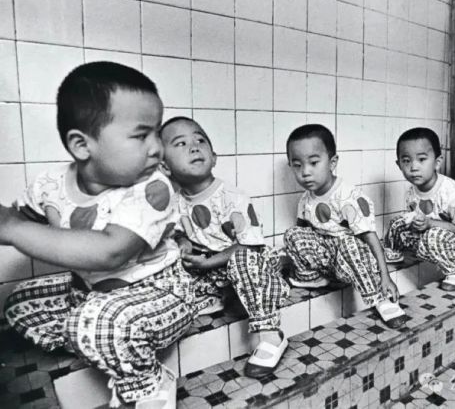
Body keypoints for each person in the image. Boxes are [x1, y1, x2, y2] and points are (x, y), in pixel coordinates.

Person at [0, 62, 188, 408]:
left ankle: (149, 384)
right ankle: (89, 335)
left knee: (101, 320)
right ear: (81, 145)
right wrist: (11, 223)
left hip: (159, 294)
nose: (157, 148)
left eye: (157, 133)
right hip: (88, 296)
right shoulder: (50, 186)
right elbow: (18, 219)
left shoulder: (152, 188)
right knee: (19, 302)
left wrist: (12, 229)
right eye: (141, 135)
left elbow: (110, 253)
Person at [159, 116, 290, 378]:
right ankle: (219, 297)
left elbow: (249, 247)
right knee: (167, 264)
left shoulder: (232, 197)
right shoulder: (174, 203)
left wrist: (208, 262)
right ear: (165, 167)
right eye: (181, 143)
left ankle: (270, 334)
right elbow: (178, 232)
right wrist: (183, 244)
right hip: (213, 272)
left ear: (214, 157)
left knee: (243, 261)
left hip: (248, 263)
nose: (194, 147)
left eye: (200, 140)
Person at [283, 124, 407, 328]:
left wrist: (385, 277)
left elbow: (370, 238)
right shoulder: (305, 199)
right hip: (328, 263)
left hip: (354, 260)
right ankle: (312, 278)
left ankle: (380, 298)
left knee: (348, 243)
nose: (305, 172)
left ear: (332, 162)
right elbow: (302, 232)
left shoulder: (349, 196)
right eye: (297, 165)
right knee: (292, 234)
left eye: (313, 163)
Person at [384, 127, 455, 291]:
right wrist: (416, 223)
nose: (414, 167)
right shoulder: (412, 191)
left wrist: (429, 224)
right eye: (406, 161)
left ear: (437, 162)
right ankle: (393, 254)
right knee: (398, 223)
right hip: (429, 234)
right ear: (399, 165)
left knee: (432, 237)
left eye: (421, 159)